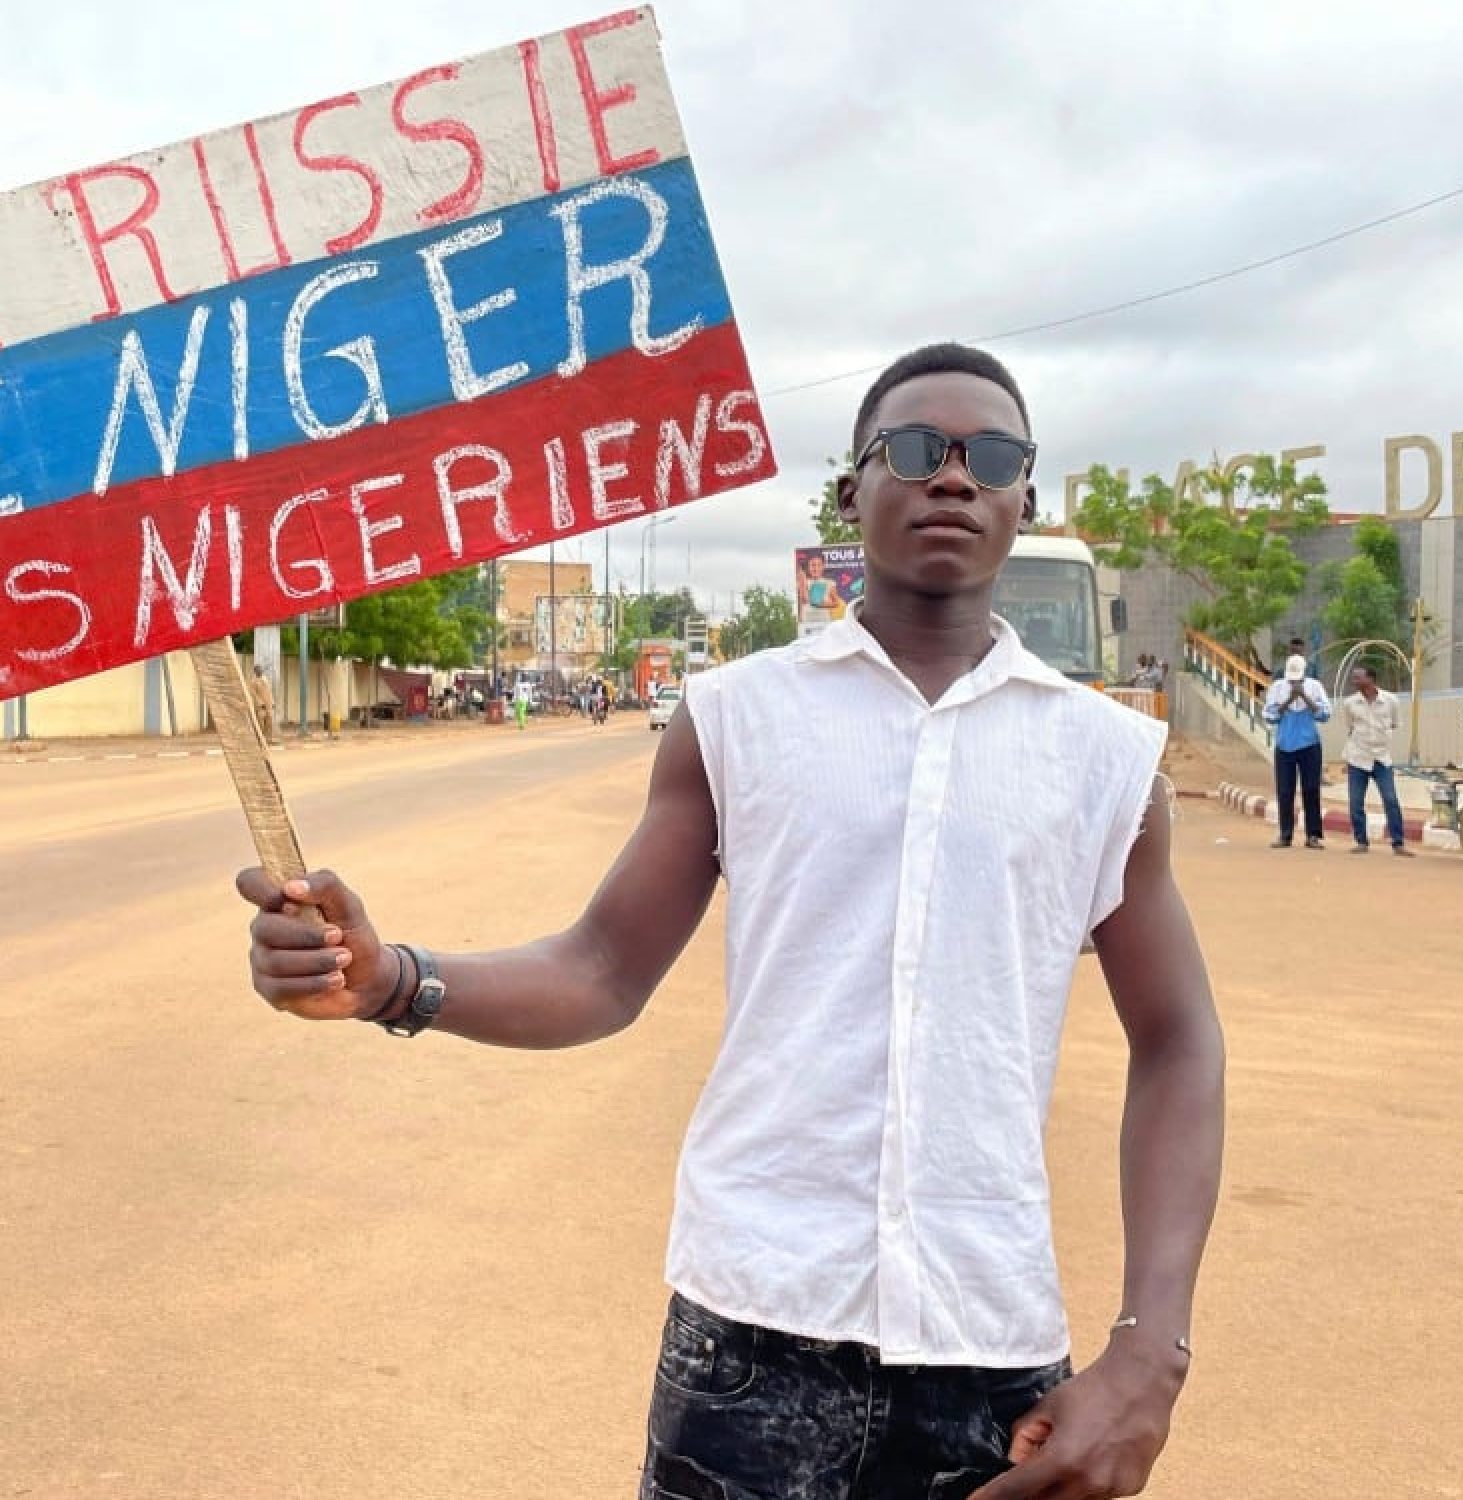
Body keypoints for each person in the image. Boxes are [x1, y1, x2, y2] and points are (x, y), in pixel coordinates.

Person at [237, 343, 1224, 1500]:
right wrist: (394, 978)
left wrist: (1150, 1351)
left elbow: (1179, 1041)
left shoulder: (1105, 761)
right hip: (750, 1346)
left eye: (989, 456)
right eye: (915, 450)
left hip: (989, 1356)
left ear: (1023, 496)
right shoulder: (736, 719)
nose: (953, 477)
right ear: (852, 494)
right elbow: (601, 968)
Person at [1340, 665, 1413, 857]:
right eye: (1354, 678)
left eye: (1358, 678)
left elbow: (1395, 724)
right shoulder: (1350, 703)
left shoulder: (1390, 701)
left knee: (1390, 799)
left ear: (1371, 679)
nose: (1354, 681)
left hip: (1381, 758)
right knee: (1356, 802)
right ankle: (1361, 841)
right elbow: (1349, 727)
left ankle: (1398, 843)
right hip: (1357, 757)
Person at [1263, 653, 1331, 848]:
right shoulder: (1277, 688)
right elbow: (1269, 716)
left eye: (1298, 680)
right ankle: (1285, 834)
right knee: (1285, 790)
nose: (1295, 682)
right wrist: (1287, 701)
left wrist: (1305, 697)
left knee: (1311, 789)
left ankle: (1313, 835)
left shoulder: (1315, 687)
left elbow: (1325, 714)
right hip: (1285, 744)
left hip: (1309, 744)